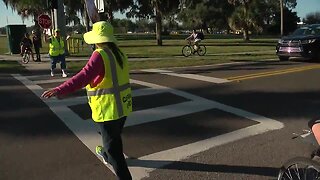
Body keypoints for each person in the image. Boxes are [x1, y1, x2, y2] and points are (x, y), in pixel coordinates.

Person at [41, 21, 133, 180]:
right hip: (123, 107)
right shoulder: (119, 53)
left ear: (97, 38)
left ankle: (110, 157)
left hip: (108, 110)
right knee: (113, 140)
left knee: (115, 152)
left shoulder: (100, 55)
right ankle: (105, 152)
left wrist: (59, 89)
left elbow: (82, 77)